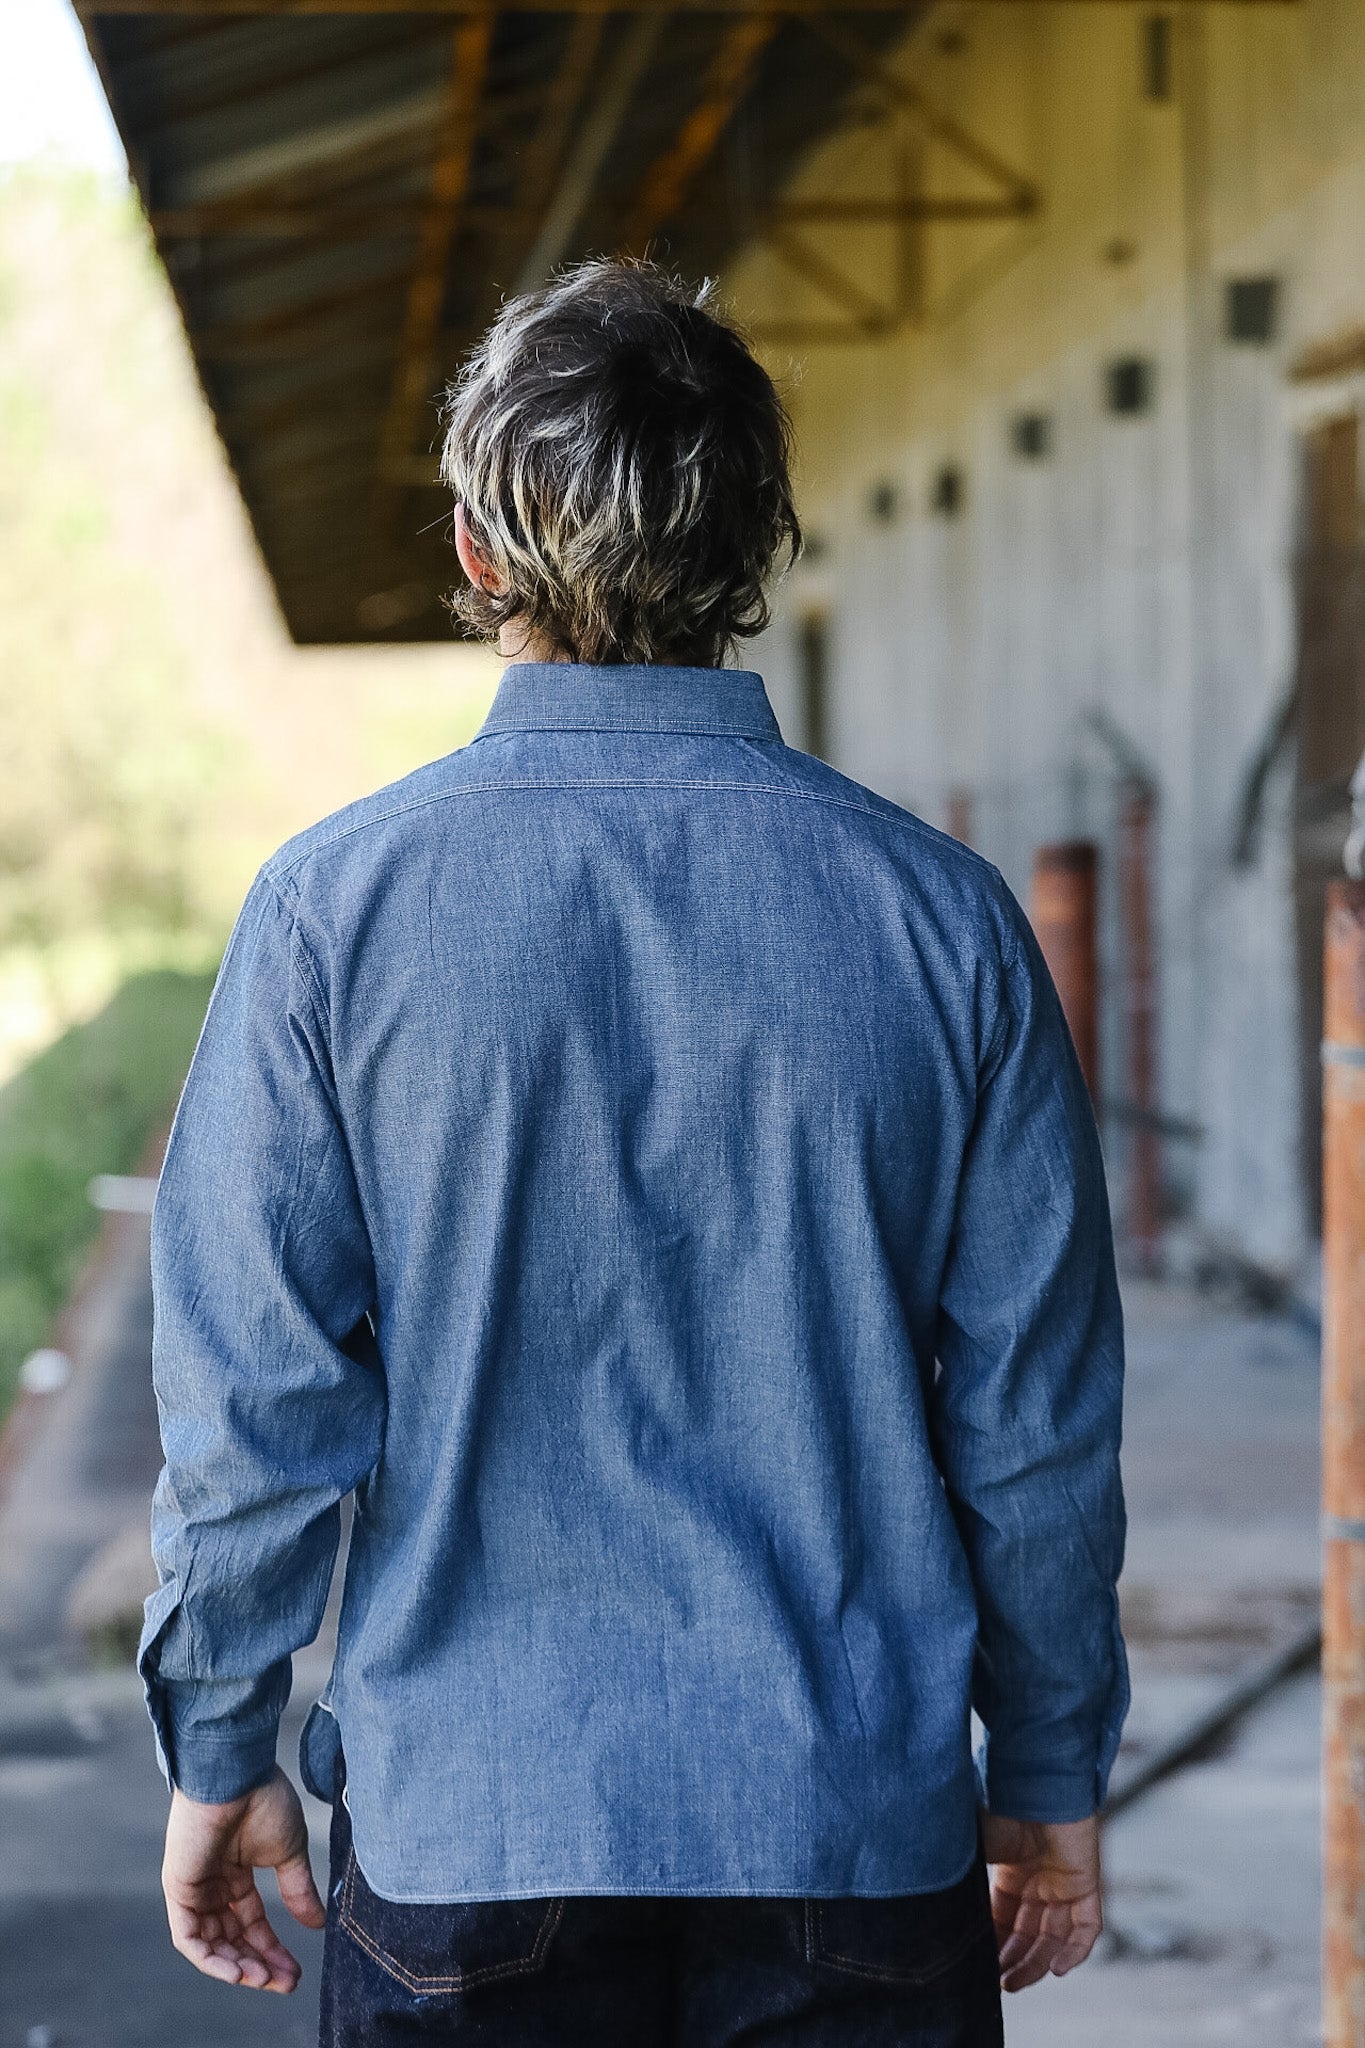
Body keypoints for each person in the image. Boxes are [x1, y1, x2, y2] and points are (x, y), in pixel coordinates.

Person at [142, 259, 1127, 2048]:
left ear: (472, 552)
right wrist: (1048, 1763)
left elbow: (258, 1405)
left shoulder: (332, 916)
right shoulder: (942, 923)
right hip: (848, 1820)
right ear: (759, 541)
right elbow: (1034, 1420)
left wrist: (222, 1741)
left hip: (472, 1819)